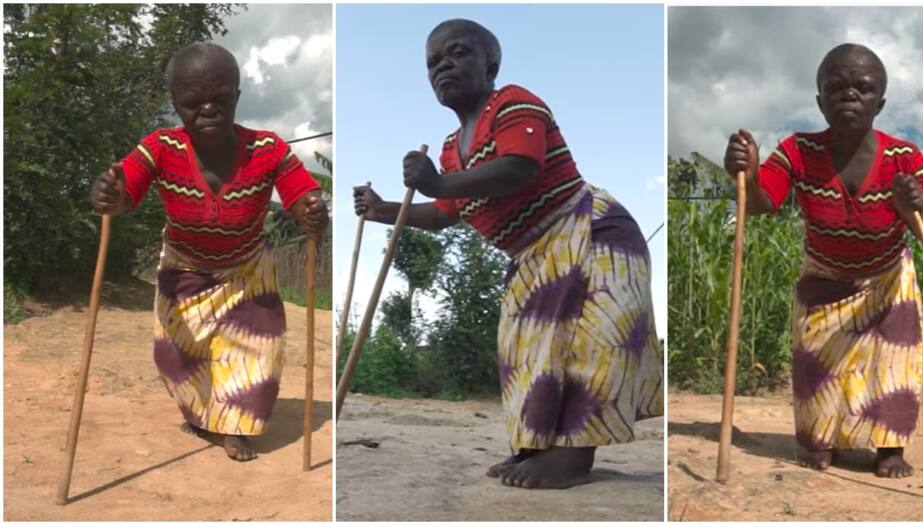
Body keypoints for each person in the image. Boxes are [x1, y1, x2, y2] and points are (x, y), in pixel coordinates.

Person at [353, 19, 663, 489]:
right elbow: (442, 214)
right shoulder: (451, 151)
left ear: (491, 64)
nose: (443, 66)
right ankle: (536, 445)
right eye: (433, 62)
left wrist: (437, 181)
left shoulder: (514, 102)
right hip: (532, 253)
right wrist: (383, 210)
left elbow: (520, 167)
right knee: (526, 346)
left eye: (457, 53)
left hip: (588, 230)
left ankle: (572, 459)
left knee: (589, 342)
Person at [90, 42, 328, 461]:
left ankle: (235, 429)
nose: (207, 110)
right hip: (183, 268)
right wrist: (112, 194)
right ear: (175, 104)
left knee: (256, 353)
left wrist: (309, 210)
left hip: (247, 271)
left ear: (236, 97)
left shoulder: (269, 149)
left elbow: (299, 193)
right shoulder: (161, 147)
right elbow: (127, 186)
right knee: (177, 355)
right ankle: (203, 418)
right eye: (193, 102)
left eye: (220, 99)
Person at [724, 43, 923, 478]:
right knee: (816, 364)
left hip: (888, 277)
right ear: (819, 100)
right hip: (824, 275)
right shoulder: (797, 151)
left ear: (879, 102)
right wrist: (743, 172)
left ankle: (889, 450)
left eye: (863, 88)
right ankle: (819, 442)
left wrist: (913, 206)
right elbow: (762, 202)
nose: (850, 95)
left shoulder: (905, 157)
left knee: (894, 365)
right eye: (836, 86)